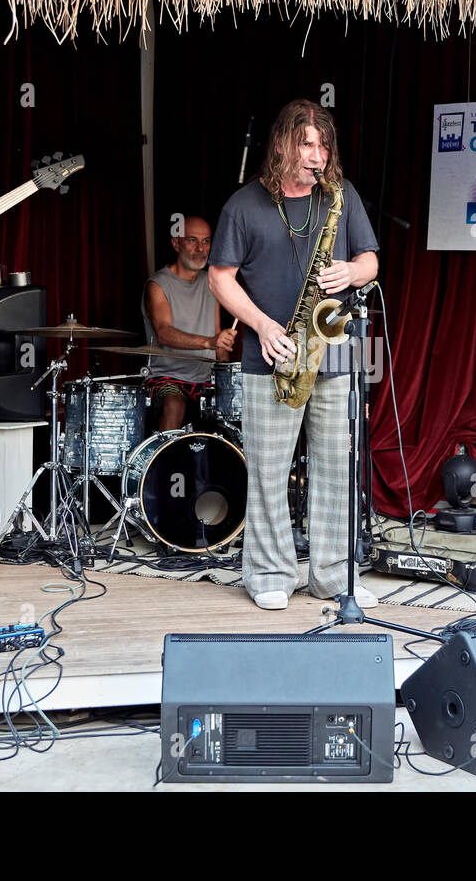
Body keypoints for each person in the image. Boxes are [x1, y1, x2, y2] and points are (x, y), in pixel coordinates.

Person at [209, 99, 380, 611]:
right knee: (268, 470)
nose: (318, 156)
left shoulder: (341, 198)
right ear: (282, 145)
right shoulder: (243, 205)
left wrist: (352, 272)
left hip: (335, 352)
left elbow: (370, 261)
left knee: (336, 470)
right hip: (274, 354)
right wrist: (260, 325)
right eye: (308, 144)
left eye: (324, 146)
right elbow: (220, 277)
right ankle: (269, 573)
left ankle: (332, 575)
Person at [141, 216, 236, 430]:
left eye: (206, 241)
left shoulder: (211, 283)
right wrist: (209, 342)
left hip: (205, 380)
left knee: (240, 404)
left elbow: (217, 336)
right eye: (192, 240)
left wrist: (228, 377)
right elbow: (164, 333)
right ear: (176, 243)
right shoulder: (158, 284)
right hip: (166, 378)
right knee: (173, 403)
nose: (200, 249)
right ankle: (163, 462)